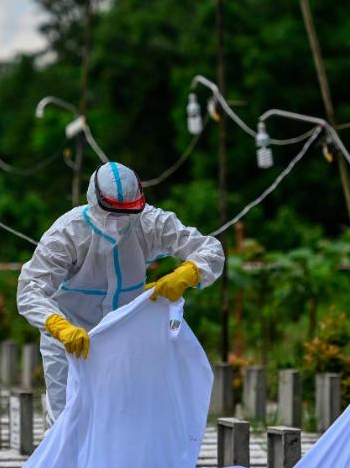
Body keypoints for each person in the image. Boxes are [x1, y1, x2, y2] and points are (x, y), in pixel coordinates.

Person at [17, 162, 225, 424]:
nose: (119, 223)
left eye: (128, 215)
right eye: (112, 214)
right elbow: (30, 288)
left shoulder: (149, 222)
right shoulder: (67, 232)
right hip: (70, 338)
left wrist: (189, 273)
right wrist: (57, 325)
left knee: (128, 418)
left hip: (126, 337)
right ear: (94, 204)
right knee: (67, 420)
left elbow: (211, 250)